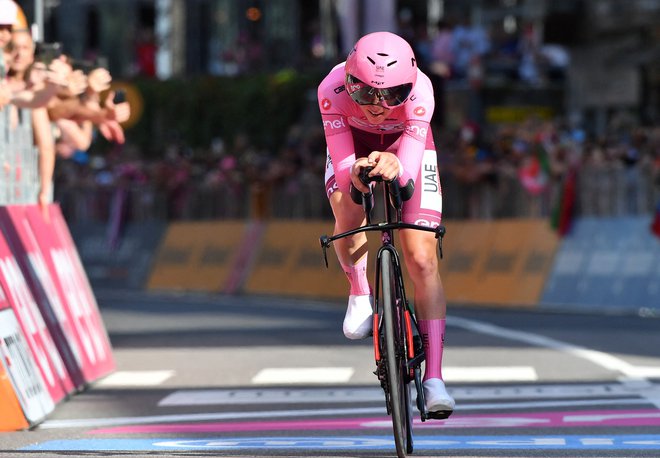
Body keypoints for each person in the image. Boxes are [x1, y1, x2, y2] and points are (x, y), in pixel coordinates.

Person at [317, 31, 454, 416]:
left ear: (408, 87)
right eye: (365, 94)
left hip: (407, 150)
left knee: (422, 257)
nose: (378, 106)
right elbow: (344, 168)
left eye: (393, 95)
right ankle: (360, 292)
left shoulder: (423, 91)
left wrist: (396, 170)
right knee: (349, 208)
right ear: (348, 81)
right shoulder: (330, 88)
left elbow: (408, 177)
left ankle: (435, 380)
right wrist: (358, 173)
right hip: (353, 148)